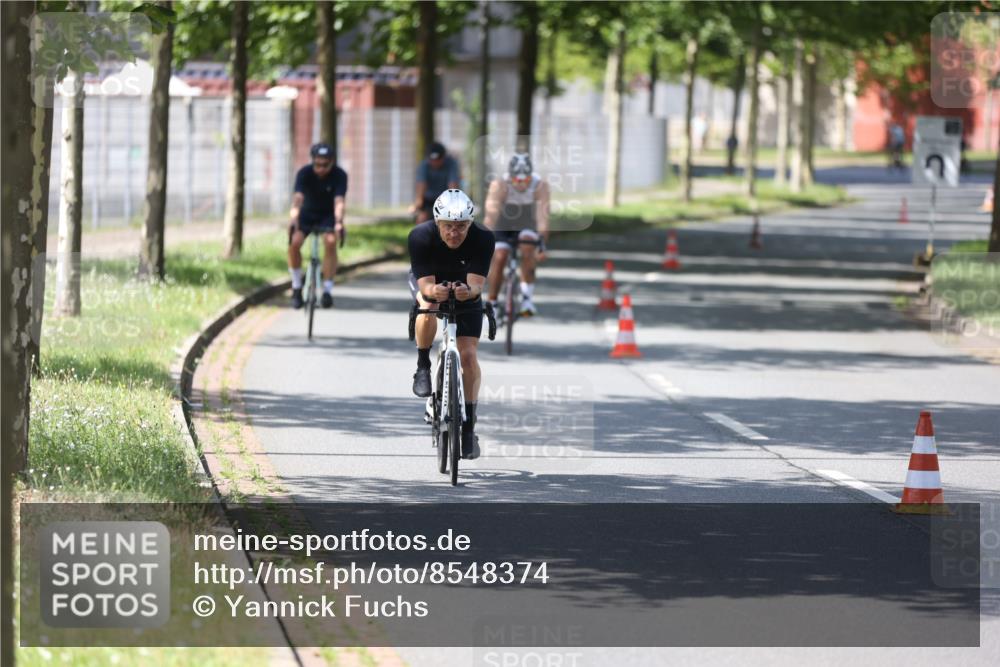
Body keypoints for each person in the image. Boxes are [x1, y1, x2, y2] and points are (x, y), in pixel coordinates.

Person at [408, 189, 494, 460]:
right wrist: (435, 290)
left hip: (465, 287)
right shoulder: (420, 236)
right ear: (437, 223)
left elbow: (477, 285)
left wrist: (468, 292)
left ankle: (468, 427)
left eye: (460, 227)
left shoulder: (483, 238)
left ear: (470, 224)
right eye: (448, 226)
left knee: (468, 356)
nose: (454, 233)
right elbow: (425, 285)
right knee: (428, 305)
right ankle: (423, 365)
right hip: (431, 282)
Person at [484, 153, 550, 317]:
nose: (521, 184)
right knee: (499, 257)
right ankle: (492, 302)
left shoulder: (540, 186)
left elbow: (543, 217)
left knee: (528, 247)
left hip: (527, 222)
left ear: (530, 176)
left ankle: (527, 298)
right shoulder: (499, 185)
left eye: (525, 180)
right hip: (503, 223)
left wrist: (541, 243)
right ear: (510, 176)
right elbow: (491, 216)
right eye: (517, 180)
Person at [288, 142, 347, 309]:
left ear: (332, 162)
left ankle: (327, 290)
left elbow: (339, 202)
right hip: (307, 214)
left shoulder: (339, 175)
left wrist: (338, 222)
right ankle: (297, 286)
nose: (321, 168)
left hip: (327, 215)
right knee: (294, 243)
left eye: (325, 165)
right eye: (317, 164)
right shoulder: (304, 173)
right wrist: (294, 218)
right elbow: (297, 199)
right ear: (312, 161)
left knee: (330, 242)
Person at [409, 141, 461, 224]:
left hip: (446, 200)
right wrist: (418, 203)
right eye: (432, 160)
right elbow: (421, 185)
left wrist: (453, 205)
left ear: (443, 157)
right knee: (421, 219)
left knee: (449, 222)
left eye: (438, 160)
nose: (435, 162)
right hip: (428, 200)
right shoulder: (424, 165)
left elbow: (453, 185)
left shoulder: (452, 164)